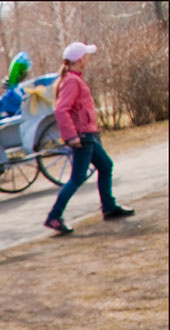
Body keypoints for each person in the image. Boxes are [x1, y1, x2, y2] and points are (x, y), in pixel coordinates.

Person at [43, 42, 134, 234]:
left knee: (105, 166)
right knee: (77, 178)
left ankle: (109, 207)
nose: (88, 58)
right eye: (86, 55)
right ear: (80, 59)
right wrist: (72, 136)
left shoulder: (73, 79)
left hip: (87, 134)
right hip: (82, 136)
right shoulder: (72, 81)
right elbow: (61, 110)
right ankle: (54, 217)